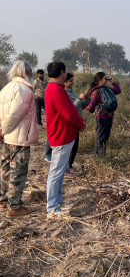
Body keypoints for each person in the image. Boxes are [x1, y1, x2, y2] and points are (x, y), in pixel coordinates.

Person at [45, 62, 86, 218]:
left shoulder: (57, 88)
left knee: (60, 171)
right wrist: (80, 124)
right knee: (56, 172)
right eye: (66, 71)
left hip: (64, 134)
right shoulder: (56, 90)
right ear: (62, 72)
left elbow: (70, 111)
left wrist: (79, 122)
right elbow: (68, 113)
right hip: (61, 136)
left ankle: (58, 202)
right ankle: (52, 207)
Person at [0, 61, 38, 218]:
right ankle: (14, 207)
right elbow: (14, 116)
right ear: (27, 72)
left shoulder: (6, 88)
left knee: (6, 167)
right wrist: (5, 129)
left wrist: (2, 130)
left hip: (6, 136)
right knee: (18, 171)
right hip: (18, 136)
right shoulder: (24, 90)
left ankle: (3, 199)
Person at [45, 73, 90, 174]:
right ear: (64, 82)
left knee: (74, 147)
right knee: (68, 149)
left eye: (73, 80)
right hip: (71, 123)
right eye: (71, 81)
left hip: (76, 121)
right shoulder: (62, 93)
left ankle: (68, 166)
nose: (73, 82)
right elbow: (70, 109)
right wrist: (79, 99)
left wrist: (87, 98)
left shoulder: (72, 93)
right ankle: (66, 168)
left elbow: (81, 106)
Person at [86, 72, 121, 156]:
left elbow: (118, 91)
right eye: (105, 78)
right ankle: (97, 155)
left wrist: (113, 82)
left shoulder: (107, 88)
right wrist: (90, 110)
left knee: (106, 135)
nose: (106, 80)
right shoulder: (96, 91)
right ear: (100, 79)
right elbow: (92, 104)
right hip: (101, 116)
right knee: (101, 136)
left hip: (109, 115)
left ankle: (102, 153)